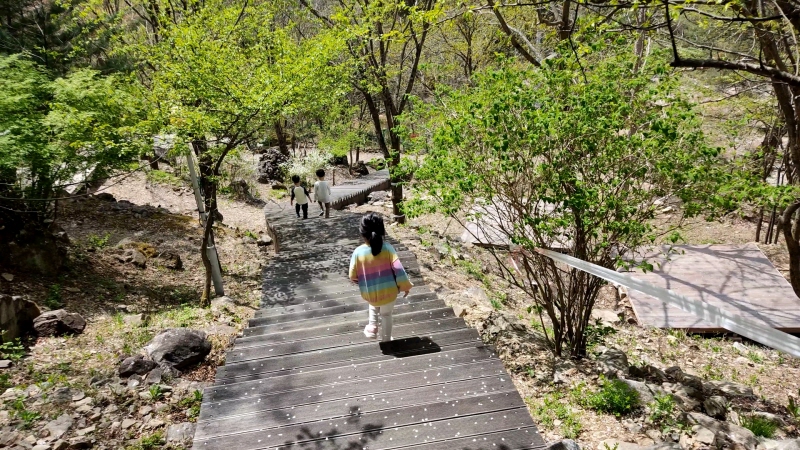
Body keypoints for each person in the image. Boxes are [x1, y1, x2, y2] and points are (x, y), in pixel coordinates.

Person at [349, 212, 413, 342]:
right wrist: (405, 286)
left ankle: (372, 326)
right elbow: (399, 269)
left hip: (370, 293)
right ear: (382, 231)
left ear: (362, 233)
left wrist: (362, 282)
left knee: (373, 304)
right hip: (389, 293)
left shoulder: (358, 252)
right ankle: (386, 339)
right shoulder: (388, 249)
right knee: (386, 315)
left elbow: (352, 275)